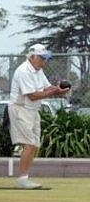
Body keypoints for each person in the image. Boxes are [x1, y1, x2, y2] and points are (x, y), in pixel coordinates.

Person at [8, 43, 68, 189]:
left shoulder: (38, 70)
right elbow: (33, 95)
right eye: (41, 58)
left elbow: (46, 88)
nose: (44, 61)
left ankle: (25, 177)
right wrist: (54, 92)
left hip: (33, 110)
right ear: (32, 56)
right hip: (20, 109)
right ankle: (22, 180)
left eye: (45, 58)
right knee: (29, 144)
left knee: (34, 144)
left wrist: (58, 89)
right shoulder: (23, 71)